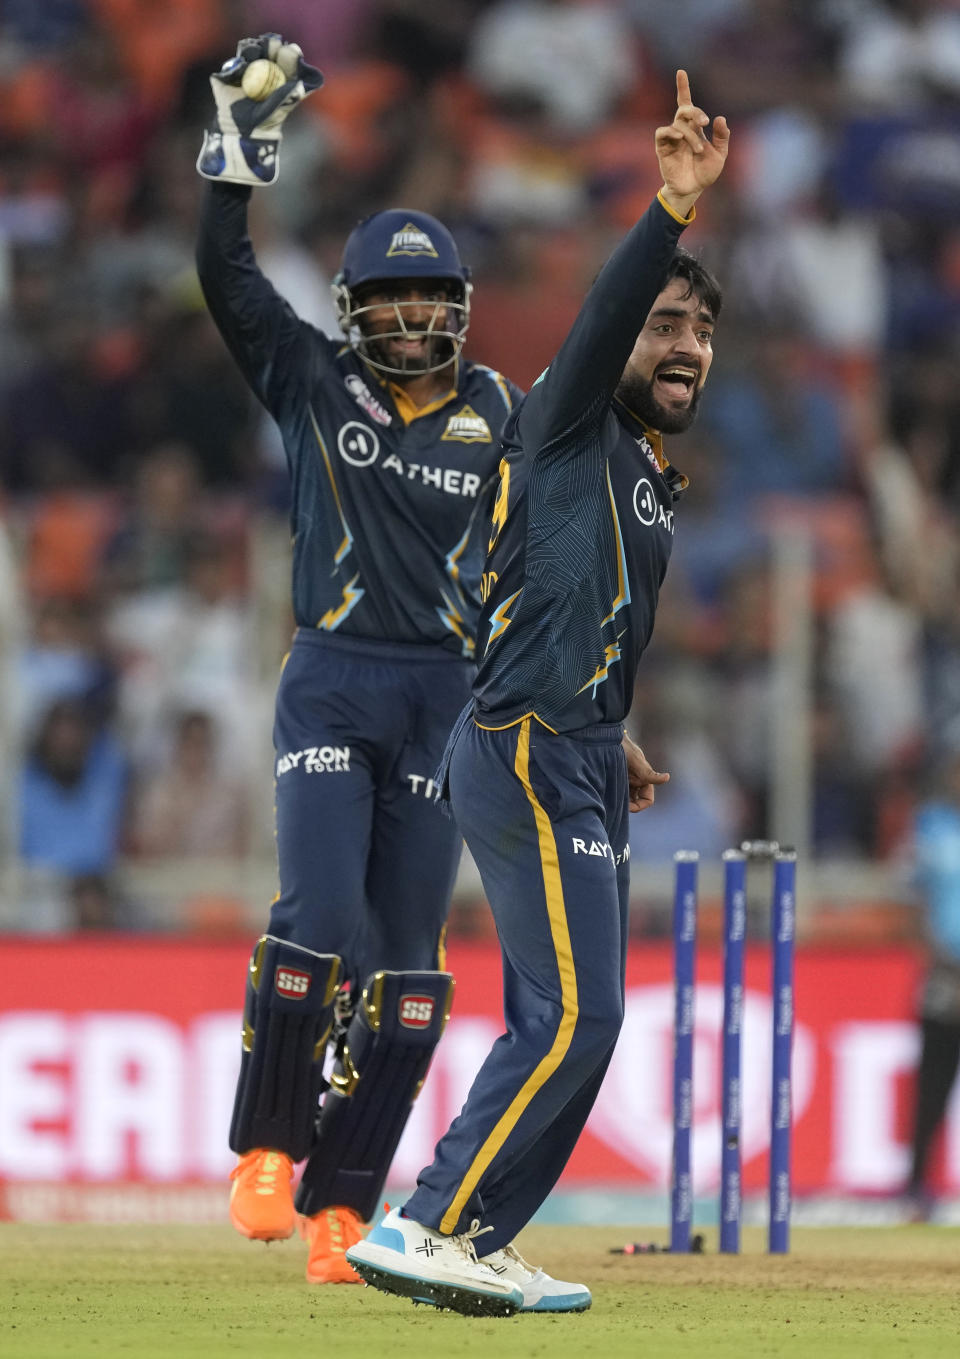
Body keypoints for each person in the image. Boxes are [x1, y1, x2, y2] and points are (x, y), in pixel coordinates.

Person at [347, 70, 729, 1316]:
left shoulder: (642, 475)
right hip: (523, 749)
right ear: (613, 341)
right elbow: (615, 302)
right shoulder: (566, 418)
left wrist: (615, 731)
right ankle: (426, 1223)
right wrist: (669, 213)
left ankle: (482, 1232)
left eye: (701, 334)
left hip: (572, 745)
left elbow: (563, 603)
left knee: (584, 1020)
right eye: (666, 327)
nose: (686, 348)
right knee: (572, 1015)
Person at [194, 35, 523, 1285]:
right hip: (333, 675)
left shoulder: (501, 410)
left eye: (425, 298)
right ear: (353, 310)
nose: (407, 317)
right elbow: (224, 274)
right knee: (320, 917)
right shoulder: (312, 382)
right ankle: (268, 1150)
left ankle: (348, 1204)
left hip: (445, 698)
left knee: (411, 970)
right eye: (386, 300)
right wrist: (235, 154)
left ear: (455, 308)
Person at [904, 750, 960, 1219]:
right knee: (933, 1083)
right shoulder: (931, 824)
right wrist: (937, 956)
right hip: (945, 971)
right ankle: (916, 1189)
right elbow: (916, 899)